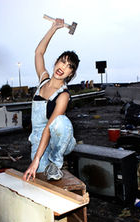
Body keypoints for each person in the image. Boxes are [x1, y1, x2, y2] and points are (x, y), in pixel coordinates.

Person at [23, 18, 80, 182]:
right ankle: (47, 166)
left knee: (60, 121)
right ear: (56, 62)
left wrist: (36, 160)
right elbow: (38, 53)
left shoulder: (63, 95)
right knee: (40, 178)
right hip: (38, 140)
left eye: (69, 66)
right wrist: (54, 28)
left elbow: (49, 128)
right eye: (62, 61)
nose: (63, 67)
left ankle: (56, 163)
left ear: (70, 74)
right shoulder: (43, 79)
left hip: (59, 139)